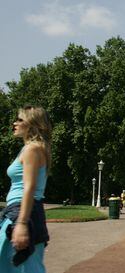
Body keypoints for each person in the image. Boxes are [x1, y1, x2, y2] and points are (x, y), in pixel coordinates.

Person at [0, 105, 52, 272]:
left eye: (20, 120)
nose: (15, 123)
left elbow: (29, 187)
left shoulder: (32, 149)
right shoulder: (31, 148)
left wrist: (21, 223)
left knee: (26, 268)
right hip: (18, 212)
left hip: (23, 214)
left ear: (33, 124)